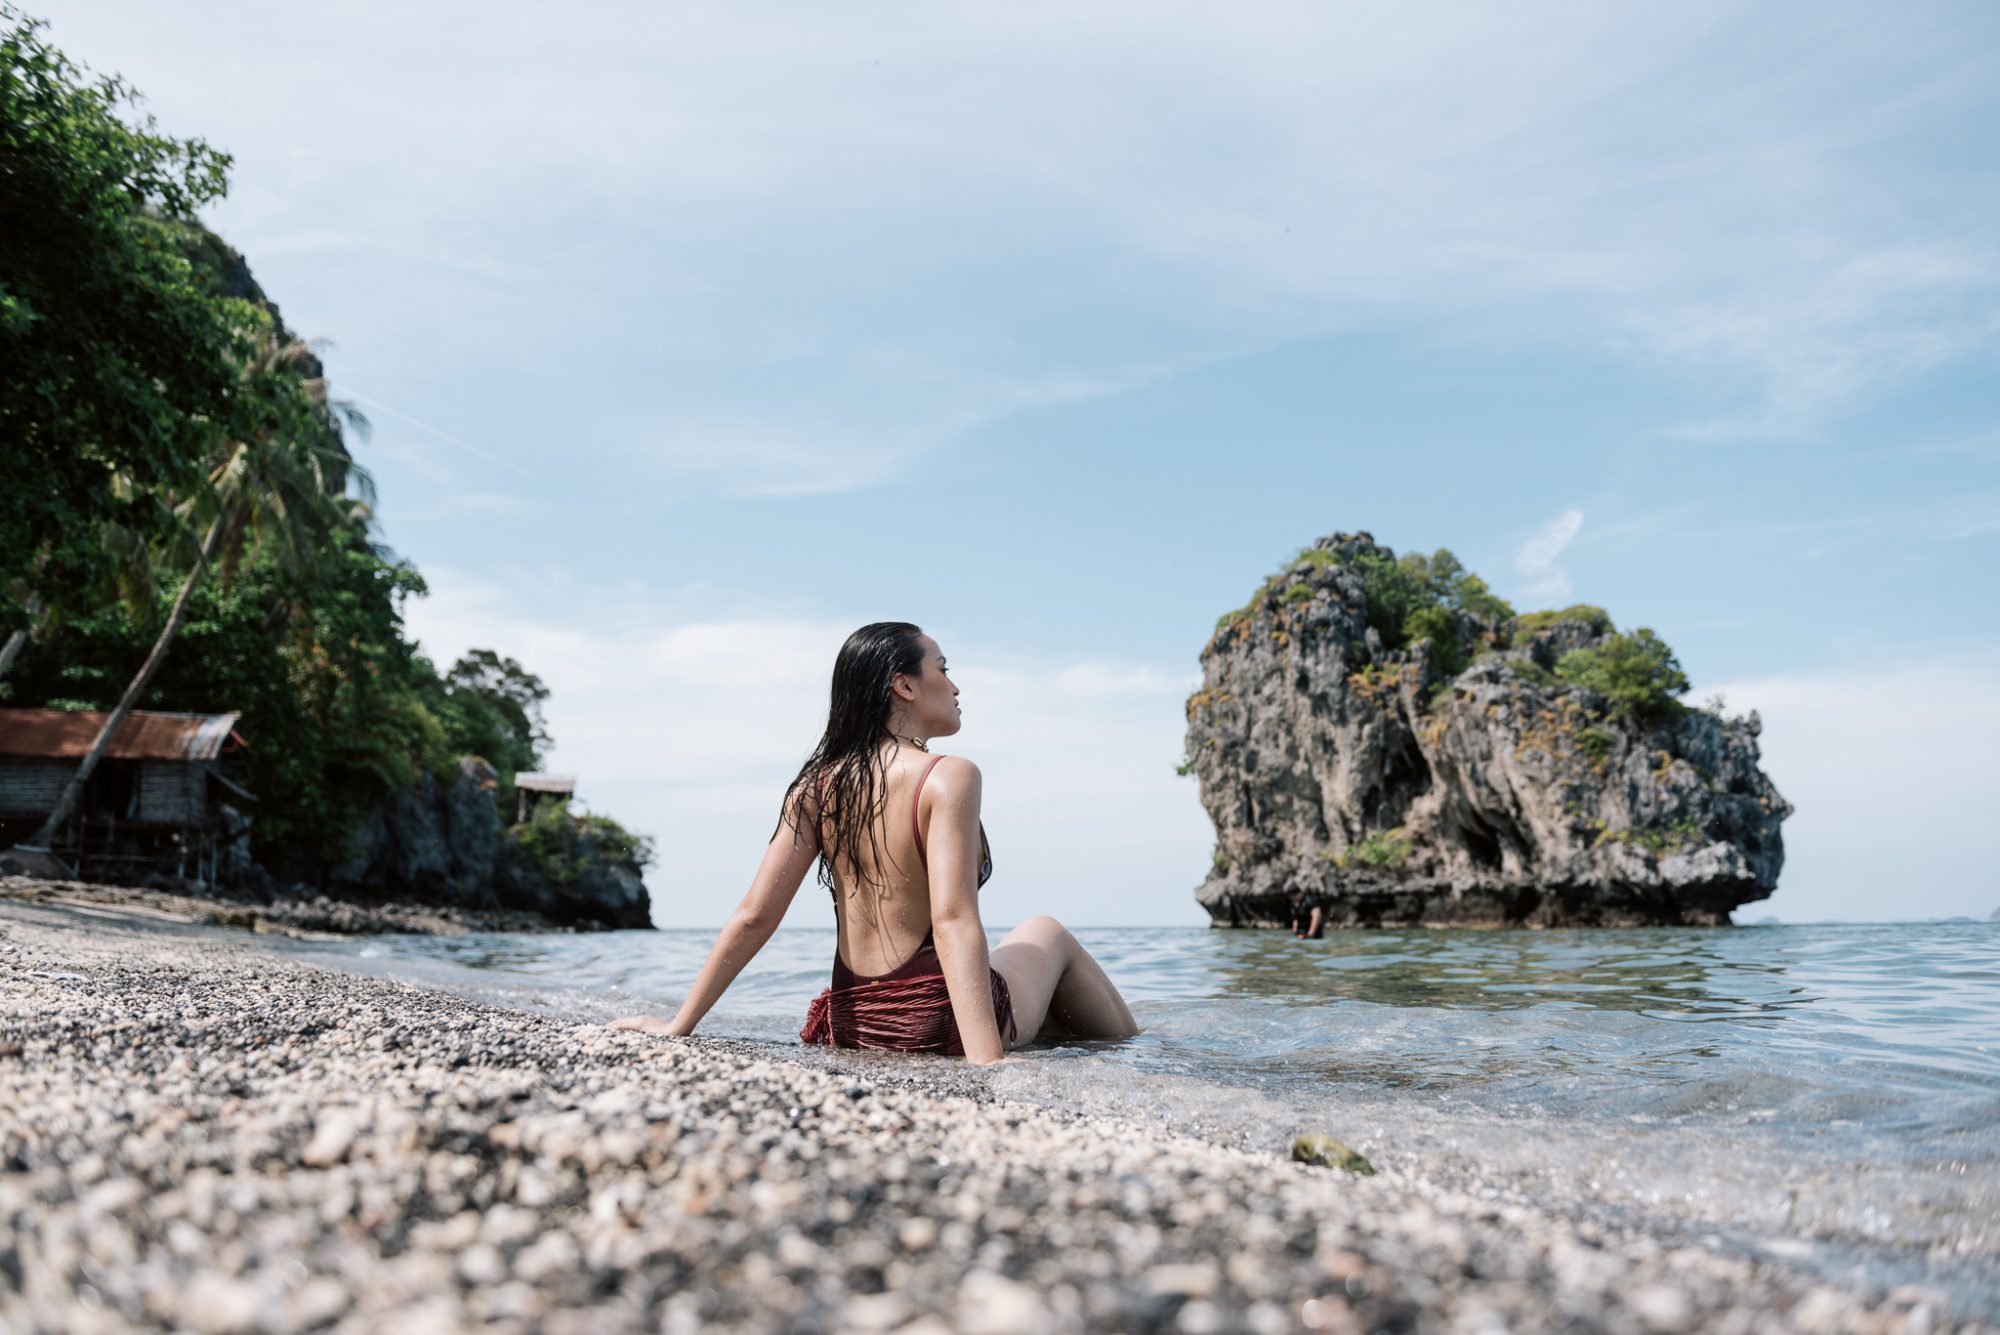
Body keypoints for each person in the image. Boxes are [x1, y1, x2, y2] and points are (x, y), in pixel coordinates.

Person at [607, 622, 1138, 1065]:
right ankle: (1137, 1052)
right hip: (938, 1023)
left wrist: (679, 1025)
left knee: (1045, 1005)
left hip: (853, 1025)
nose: (955, 687)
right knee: (1046, 932)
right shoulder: (949, 776)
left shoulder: (815, 786)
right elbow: (953, 920)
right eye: (943, 669)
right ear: (903, 686)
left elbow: (753, 915)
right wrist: (987, 1065)